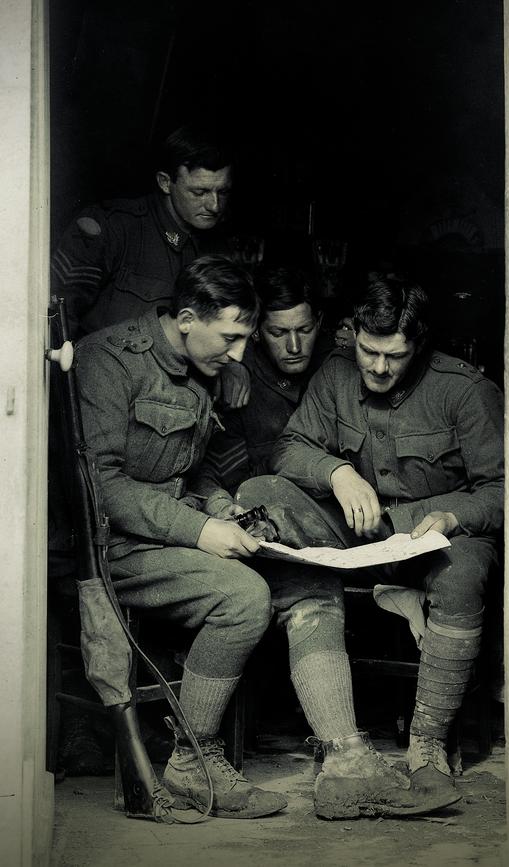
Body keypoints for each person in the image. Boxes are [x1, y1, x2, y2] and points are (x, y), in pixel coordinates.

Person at [237, 273, 503, 811]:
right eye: (368, 351)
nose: (379, 368)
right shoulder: (334, 376)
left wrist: (454, 514)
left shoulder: (465, 390)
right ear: (353, 333)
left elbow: (504, 487)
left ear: (418, 346)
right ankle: (343, 748)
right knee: (259, 490)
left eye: (395, 356)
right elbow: (289, 449)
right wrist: (336, 472)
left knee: (466, 570)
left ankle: (426, 749)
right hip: (358, 539)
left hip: (436, 539)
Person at [74, 255, 285, 818]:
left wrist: (222, 508)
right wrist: (199, 529)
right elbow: (101, 484)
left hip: (162, 532)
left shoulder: (203, 367)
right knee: (243, 597)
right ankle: (192, 761)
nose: (240, 356)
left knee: (274, 572)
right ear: (187, 317)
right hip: (108, 544)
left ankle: (191, 753)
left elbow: (192, 472)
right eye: (232, 339)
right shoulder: (108, 362)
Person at [51, 124, 234, 340]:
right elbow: (58, 319)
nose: (214, 206)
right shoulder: (114, 228)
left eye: (222, 192)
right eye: (200, 192)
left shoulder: (222, 246)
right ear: (165, 183)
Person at [210, 265, 331, 492]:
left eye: (305, 330)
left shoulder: (336, 371)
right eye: (278, 333)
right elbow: (228, 485)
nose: (294, 347)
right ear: (255, 331)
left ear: (320, 322)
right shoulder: (237, 388)